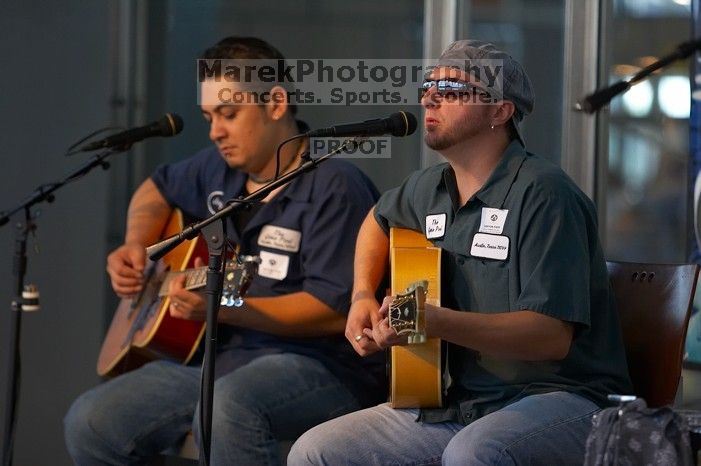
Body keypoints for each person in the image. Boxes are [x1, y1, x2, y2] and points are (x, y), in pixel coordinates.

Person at [288, 40, 632, 465]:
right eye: (428, 85)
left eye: (451, 88)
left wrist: (436, 322)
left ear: (499, 112)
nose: (430, 96)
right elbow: (377, 220)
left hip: (565, 398)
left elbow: (551, 338)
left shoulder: (545, 193)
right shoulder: (428, 186)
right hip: (463, 404)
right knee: (316, 451)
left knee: (474, 452)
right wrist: (361, 295)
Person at [64, 36, 386, 466]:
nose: (215, 131)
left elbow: (332, 309)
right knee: (91, 420)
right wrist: (136, 244)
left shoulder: (335, 185)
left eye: (229, 114)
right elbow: (155, 189)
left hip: (321, 366)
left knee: (228, 404)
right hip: (221, 361)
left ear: (275, 103)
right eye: (209, 116)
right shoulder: (216, 169)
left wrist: (224, 308)